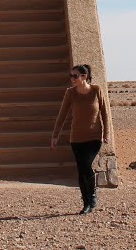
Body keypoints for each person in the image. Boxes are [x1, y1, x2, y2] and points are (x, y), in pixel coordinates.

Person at [50, 63, 110, 214]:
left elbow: (104, 113)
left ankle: (93, 195)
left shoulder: (96, 90)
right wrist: (55, 135)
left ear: (85, 77)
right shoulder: (70, 93)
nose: (72, 79)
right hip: (76, 138)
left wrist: (107, 133)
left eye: (75, 76)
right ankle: (86, 203)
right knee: (81, 169)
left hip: (94, 137)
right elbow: (62, 115)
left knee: (86, 165)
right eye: (71, 76)